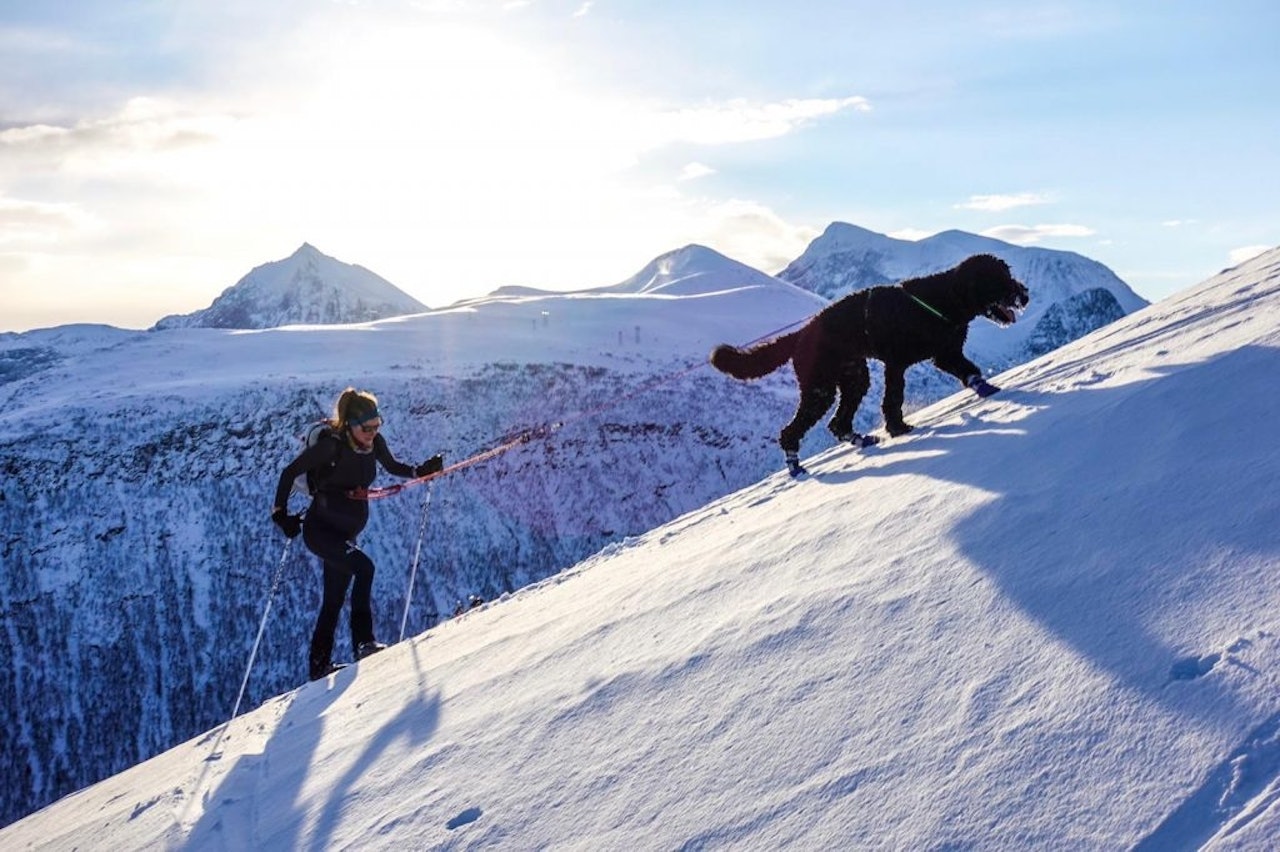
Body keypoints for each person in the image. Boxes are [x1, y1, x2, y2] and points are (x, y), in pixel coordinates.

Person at [271, 388, 444, 681]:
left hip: (345, 534)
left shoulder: (374, 444)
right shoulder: (332, 447)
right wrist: (280, 515)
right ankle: (364, 643)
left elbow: (393, 466)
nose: (373, 433)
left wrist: (421, 471)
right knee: (365, 568)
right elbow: (289, 472)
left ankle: (319, 667)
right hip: (321, 531)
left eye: (377, 426)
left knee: (333, 600)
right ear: (351, 425)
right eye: (367, 428)